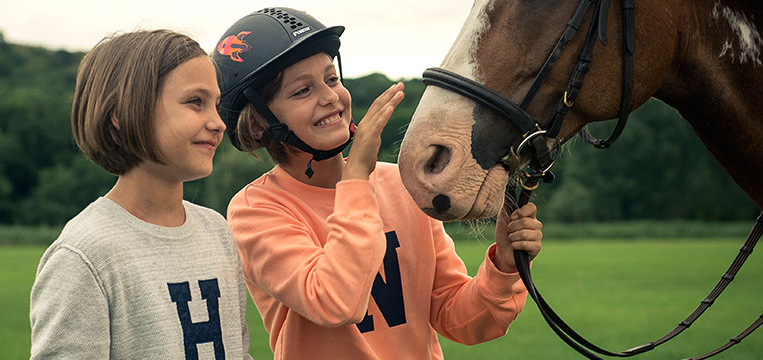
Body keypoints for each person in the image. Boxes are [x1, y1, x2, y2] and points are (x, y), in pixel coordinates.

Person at [212, 7, 543, 359]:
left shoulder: (400, 183)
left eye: (331, 79)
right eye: (302, 91)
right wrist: (356, 180)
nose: (329, 97)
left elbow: (459, 317)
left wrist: (504, 267)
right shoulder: (255, 211)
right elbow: (336, 301)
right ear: (259, 124)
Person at [29, 29, 251, 359]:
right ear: (121, 114)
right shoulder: (84, 256)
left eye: (216, 105)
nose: (218, 123)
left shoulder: (216, 231)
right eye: (195, 102)